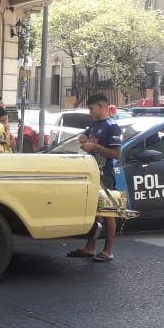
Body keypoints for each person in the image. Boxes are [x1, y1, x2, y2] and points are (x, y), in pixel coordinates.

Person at [66, 93, 121, 263]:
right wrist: (83, 139)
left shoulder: (113, 127)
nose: (90, 112)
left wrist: (95, 147)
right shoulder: (94, 124)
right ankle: (90, 247)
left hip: (106, 174)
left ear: (100, 106)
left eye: (91, 109)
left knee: (108, 212)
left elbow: (116, 154)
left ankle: (108, 251)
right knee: (93, 211)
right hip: (92, 172)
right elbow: (85, 138)